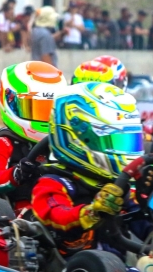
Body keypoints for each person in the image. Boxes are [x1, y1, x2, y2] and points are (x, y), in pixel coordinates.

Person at [31, 82, 144, 255]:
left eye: (128, 141)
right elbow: (56, 216)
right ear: (77, 139)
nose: (126, 152)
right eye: (115, 141)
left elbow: (143, 224)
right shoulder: (53, 183)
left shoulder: (118, 188)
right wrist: (91, 212)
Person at [0, 61, 69, 211]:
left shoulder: (63, 141)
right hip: (24, 213)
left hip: (62, 203)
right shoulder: (4, 142)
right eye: (34, 109)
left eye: (48, 111)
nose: (42, 118)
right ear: (10, 102)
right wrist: (17, 173)